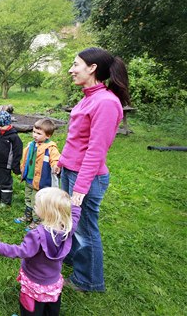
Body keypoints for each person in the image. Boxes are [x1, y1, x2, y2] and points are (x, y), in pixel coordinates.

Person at [53, 47, 130, 293]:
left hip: (86, 177)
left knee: (86, 229)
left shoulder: (106, 102)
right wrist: (62, 161)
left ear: (92, 68)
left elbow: (96, 151)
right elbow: (78, 139)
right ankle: (74, 259)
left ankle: (89, 281)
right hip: (72, 171)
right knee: (72, 223)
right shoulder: (89, 97)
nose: (71, 70)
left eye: (75, 64)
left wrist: (81, 187)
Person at [0, 187, 81, 316]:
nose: (34, 206)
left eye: (37, 205)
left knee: (31, 309)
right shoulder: (67, 229)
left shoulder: (37, 236)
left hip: (34, 281)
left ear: (47, 212)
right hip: (53, 282)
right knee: (51, 308)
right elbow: (75, 218)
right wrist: (76, 207)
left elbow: (20, 251)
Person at [15, 119, 61, 231]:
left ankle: (37, 222)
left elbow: (55, 159)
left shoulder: (51, 149)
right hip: (29, 180)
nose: (35, 135)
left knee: (37, 202)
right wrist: (22, 168)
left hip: (40, 182)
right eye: (34, 132)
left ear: (48, 135)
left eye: (39, 133)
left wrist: (56, 166)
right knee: (28, 198)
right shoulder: (31, 145)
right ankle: (28, 216)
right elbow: (26, 158)